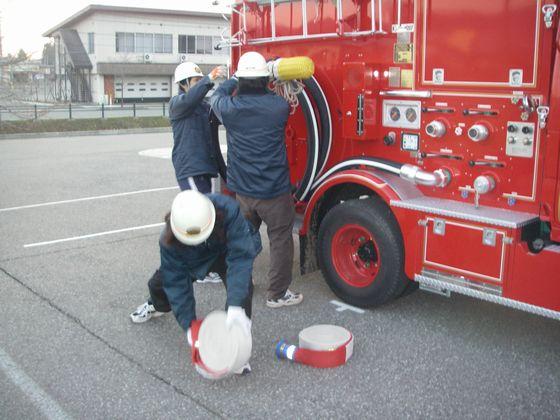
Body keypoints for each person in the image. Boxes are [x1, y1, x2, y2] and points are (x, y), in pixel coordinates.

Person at [130, 62, 227, 323]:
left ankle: (206, 266)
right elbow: (194, 97)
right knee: (199, 219)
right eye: (193, 80)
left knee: (209, 218)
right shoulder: (178, 104)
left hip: (204, 168)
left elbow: (220, 117)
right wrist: (209, 78)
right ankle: (183, 273)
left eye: (198, 80)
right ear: (183, 84)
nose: (198, 84)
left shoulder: (202, 106)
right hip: (191, 170)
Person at [210, 51, 303, 308]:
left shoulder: (228, 109)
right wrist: (273, 72)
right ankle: (277, 294)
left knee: (242, 239)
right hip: (274, 191)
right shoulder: (278, 107)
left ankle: (242, 285)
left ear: (240, 80)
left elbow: (216, 95)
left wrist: (233, 79)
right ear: (265, 79)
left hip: (243, 193)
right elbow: (277, 95)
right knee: (280, 241)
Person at [159, 190, 261, 374]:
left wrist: (236, 305)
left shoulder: (228, 209)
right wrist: (188, 324)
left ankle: (238, 351)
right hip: (191, 260)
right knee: (161, 286)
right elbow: (176, 282)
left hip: (224, 253)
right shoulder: (168, 241)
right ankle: (153, 303)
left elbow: (240, 257)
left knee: (243, 289)